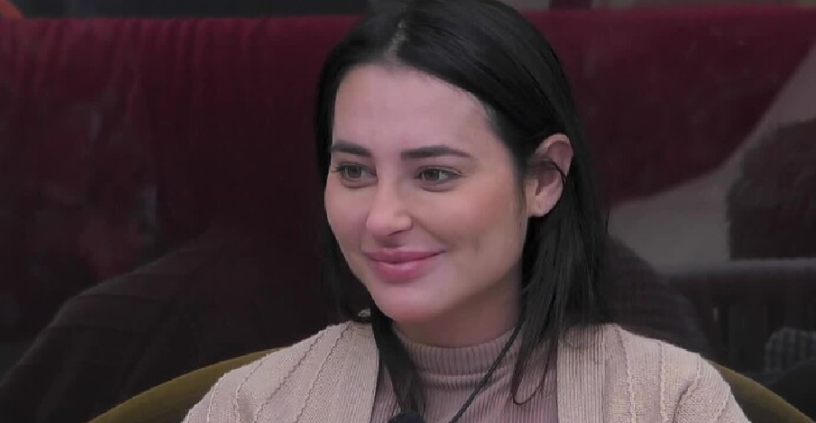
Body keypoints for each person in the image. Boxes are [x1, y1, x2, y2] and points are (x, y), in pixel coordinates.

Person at [184, 0, 749, 422]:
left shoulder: (670, 403)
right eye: (354, 171)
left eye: (434, 174)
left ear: (544, 178)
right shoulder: (254, 407)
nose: (382, 218)